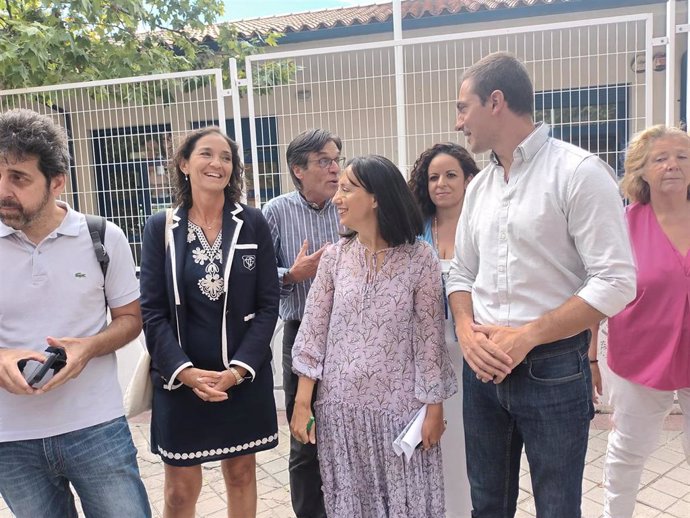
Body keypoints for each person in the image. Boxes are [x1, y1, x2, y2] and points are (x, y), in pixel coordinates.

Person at [446, 52, 637, 518]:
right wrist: (467, 332)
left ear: (496, 101)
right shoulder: (482, 186)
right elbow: (460, 272)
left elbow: (616, 280)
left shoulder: (578, 172)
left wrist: (528, 335)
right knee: (487, 504)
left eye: (462, 107)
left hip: (552, 369)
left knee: (556, 506)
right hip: (483, 370)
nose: (457, 122)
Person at [0, 109, 151, 517]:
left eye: (18, 178)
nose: (3, 190)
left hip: (96, 427)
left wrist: (88, 347)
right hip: (10, 439)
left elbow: (130, 319)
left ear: (57, 182)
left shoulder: (102, 236)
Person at [290, 155, 458, 517]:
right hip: (340, 414)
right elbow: (313, 332)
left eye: (348, 189)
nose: (337, 197)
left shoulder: (420, 258)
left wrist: (434, 407)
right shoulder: (335, 259)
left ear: (377, 198)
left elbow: (429, 339)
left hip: (400, 414)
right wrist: (303, 402)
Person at [139, 126, 279, 518]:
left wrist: (239, 370)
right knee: (179, 493)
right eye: (206, 154)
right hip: (181, 380)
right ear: (184, 163)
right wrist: (184, 372)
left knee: (241, 476)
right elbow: (152, 311)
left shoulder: (252, 223)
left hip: (242, 378)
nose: (217, 163)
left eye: (226, 157)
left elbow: (268, 305)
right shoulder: (160, 228)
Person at [603, 125, 690, 518]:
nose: (673, 165)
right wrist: (589, 356)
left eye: (682, 156)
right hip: (640, 355)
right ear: (641, 170)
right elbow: (598, 286)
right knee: (628, 451)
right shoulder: (622, 226)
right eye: (661, 158)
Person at [262, 128, 343, 518]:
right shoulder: (275, 212)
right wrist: (292, 275)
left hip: (352, 338)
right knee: (304, 436)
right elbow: (258, 280)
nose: (334, 169)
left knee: (347, 432)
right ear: (298, 169)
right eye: (324, 161)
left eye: (336, 160)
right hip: (300, 336)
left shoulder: (350, 205)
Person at [409, 142, 478, 518]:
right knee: (437, 444)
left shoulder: (484, 225)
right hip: (427, 358)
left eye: (451, 175)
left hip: (476, 352)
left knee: (474, 445)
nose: (441, 184)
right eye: (434, 176)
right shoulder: (413, 230)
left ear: (469, 179)